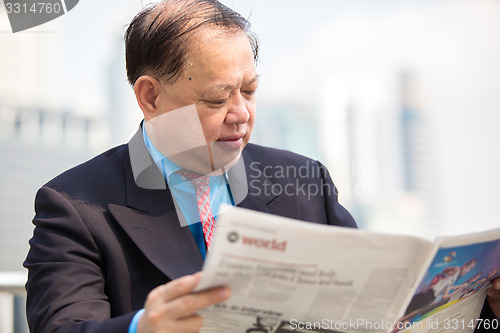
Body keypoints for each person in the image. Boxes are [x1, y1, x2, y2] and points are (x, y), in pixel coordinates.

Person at [23, 1, 500, 332]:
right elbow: (63, 327)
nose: (242, 114)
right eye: (216, 97)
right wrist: (143, 328)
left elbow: (380, 310)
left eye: (249, 90)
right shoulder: (75, 206)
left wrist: (485, 312)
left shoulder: (304, 183)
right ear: (150, 96)